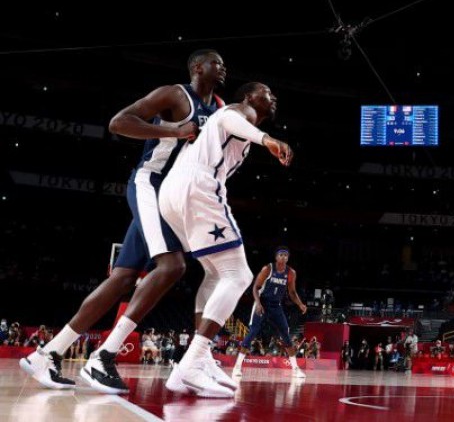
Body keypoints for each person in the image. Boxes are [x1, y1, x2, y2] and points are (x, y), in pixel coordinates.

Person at [20, 49, 226, 394]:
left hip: (177, 197)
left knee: (122, 279)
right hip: (151, 184)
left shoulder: (220, 108)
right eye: (217, 63)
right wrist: (177, 130)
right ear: (197, 67)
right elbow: (119, 122)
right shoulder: (175, 94)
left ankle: (47, 354)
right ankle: (103, 357)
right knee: (172, 267)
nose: (223, 69)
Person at [159, 82, 293, 399]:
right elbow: (226, 118)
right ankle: (190, 362)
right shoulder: (240, 111)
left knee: (216, 273)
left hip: (173, 192)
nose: (272, 97)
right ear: (248, 97)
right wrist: (266, 139)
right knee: (240, 274)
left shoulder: (235, 127)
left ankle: (196, 362)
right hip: (199, 185)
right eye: (265, 92)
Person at [232, 247, 308, 380]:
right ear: (276, 257)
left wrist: (300, 304)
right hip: (262, 303)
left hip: (276, 306)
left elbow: (292, 292)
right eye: (281, 255)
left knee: (286, 334)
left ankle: (295, 369)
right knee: (253, 332)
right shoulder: (268, 269)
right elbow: (255, 287)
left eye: (286, 255)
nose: (284, 257)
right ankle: (237, 367)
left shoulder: (291, 273)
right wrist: (258, 304)